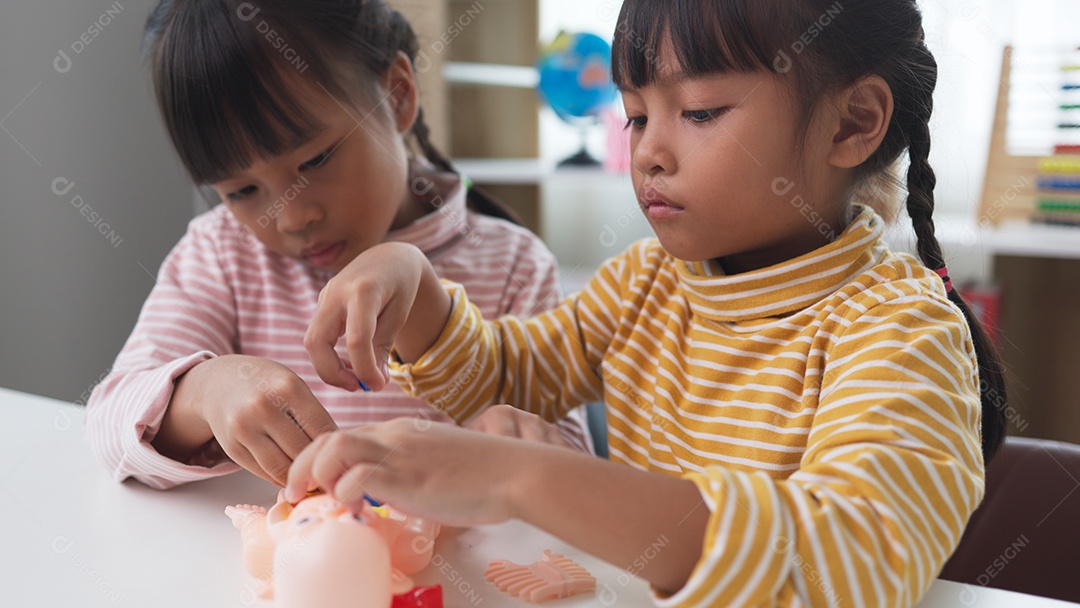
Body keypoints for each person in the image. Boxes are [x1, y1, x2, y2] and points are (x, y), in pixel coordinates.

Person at [285, 0, 1009, 606]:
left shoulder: (903, 330)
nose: (648, 154)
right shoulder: (647, 282)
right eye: (635, 116)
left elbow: (846, 563)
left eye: (699, 111)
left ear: (852, 123)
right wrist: (410, 284)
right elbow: (506, 374)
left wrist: (521, 479)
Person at [84, 0, 591, 491]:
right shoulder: (223, 252)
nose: (293, 216)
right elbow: (111, 421)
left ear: (396, 95)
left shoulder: (512, 266)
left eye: (316, 161)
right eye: (241, 191)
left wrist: (509, 441)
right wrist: (207, 390)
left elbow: (581, 485)